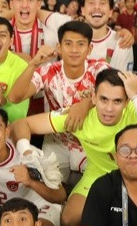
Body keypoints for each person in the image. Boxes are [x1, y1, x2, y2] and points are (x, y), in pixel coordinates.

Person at [15, 68, 137, 226]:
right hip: (98, 173)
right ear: (93, 97)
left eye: (117, 101)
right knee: (68, 220)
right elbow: (21, 124)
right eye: (103, 99)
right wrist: (26, 152)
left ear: (126, 102)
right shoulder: (79, 116)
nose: (109, 108)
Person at [8, 18, 109, 180]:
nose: (74, 49)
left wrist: (86, 103)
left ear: (90, 49)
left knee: (93, 192)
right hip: (56, 141)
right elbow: (14, 97)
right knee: (48, 188)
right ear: (59, 48)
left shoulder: (99, 69)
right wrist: (33, 63)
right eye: (68, 44)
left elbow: (116, 94)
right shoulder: (48, 70)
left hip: (90, 143)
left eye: (81, 44)